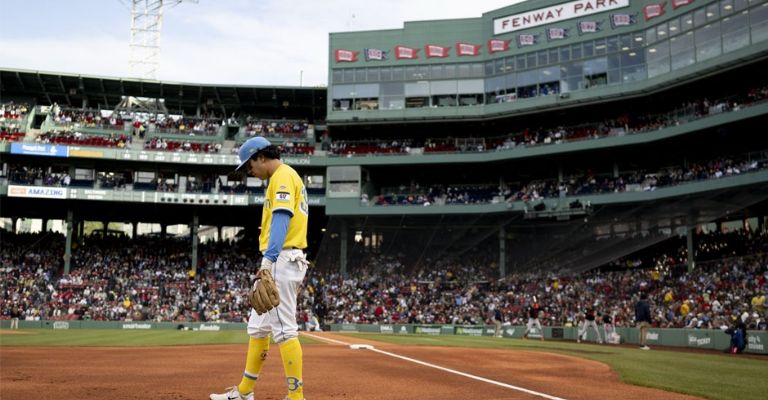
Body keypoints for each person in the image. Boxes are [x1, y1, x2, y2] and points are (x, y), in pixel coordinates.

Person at [210, 136, 309, 400]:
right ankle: (244, 392)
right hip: (283, 258)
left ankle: (296, 397)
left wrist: (268, 260)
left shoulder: (282, 176)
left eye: (249, 165)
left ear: (261, 157)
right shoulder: (285, 176)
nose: (249, 171)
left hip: (281, 259)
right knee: (258, 328)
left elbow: (281, 218)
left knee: (285, 330)